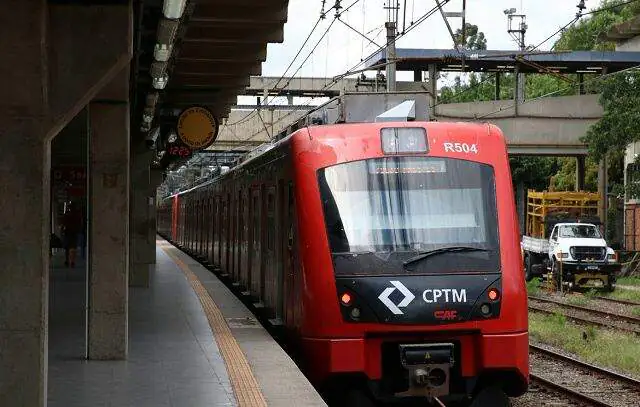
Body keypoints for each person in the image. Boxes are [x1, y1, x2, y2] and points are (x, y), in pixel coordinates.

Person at [62, 202, 83, 267]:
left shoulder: (68, 214)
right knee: (73, 247)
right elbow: (80, 224)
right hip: (74, 232)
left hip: (68, 232)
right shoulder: (77, 215)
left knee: (67, 247)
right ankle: (72, 261)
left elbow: (64, 222)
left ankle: (67, 260)